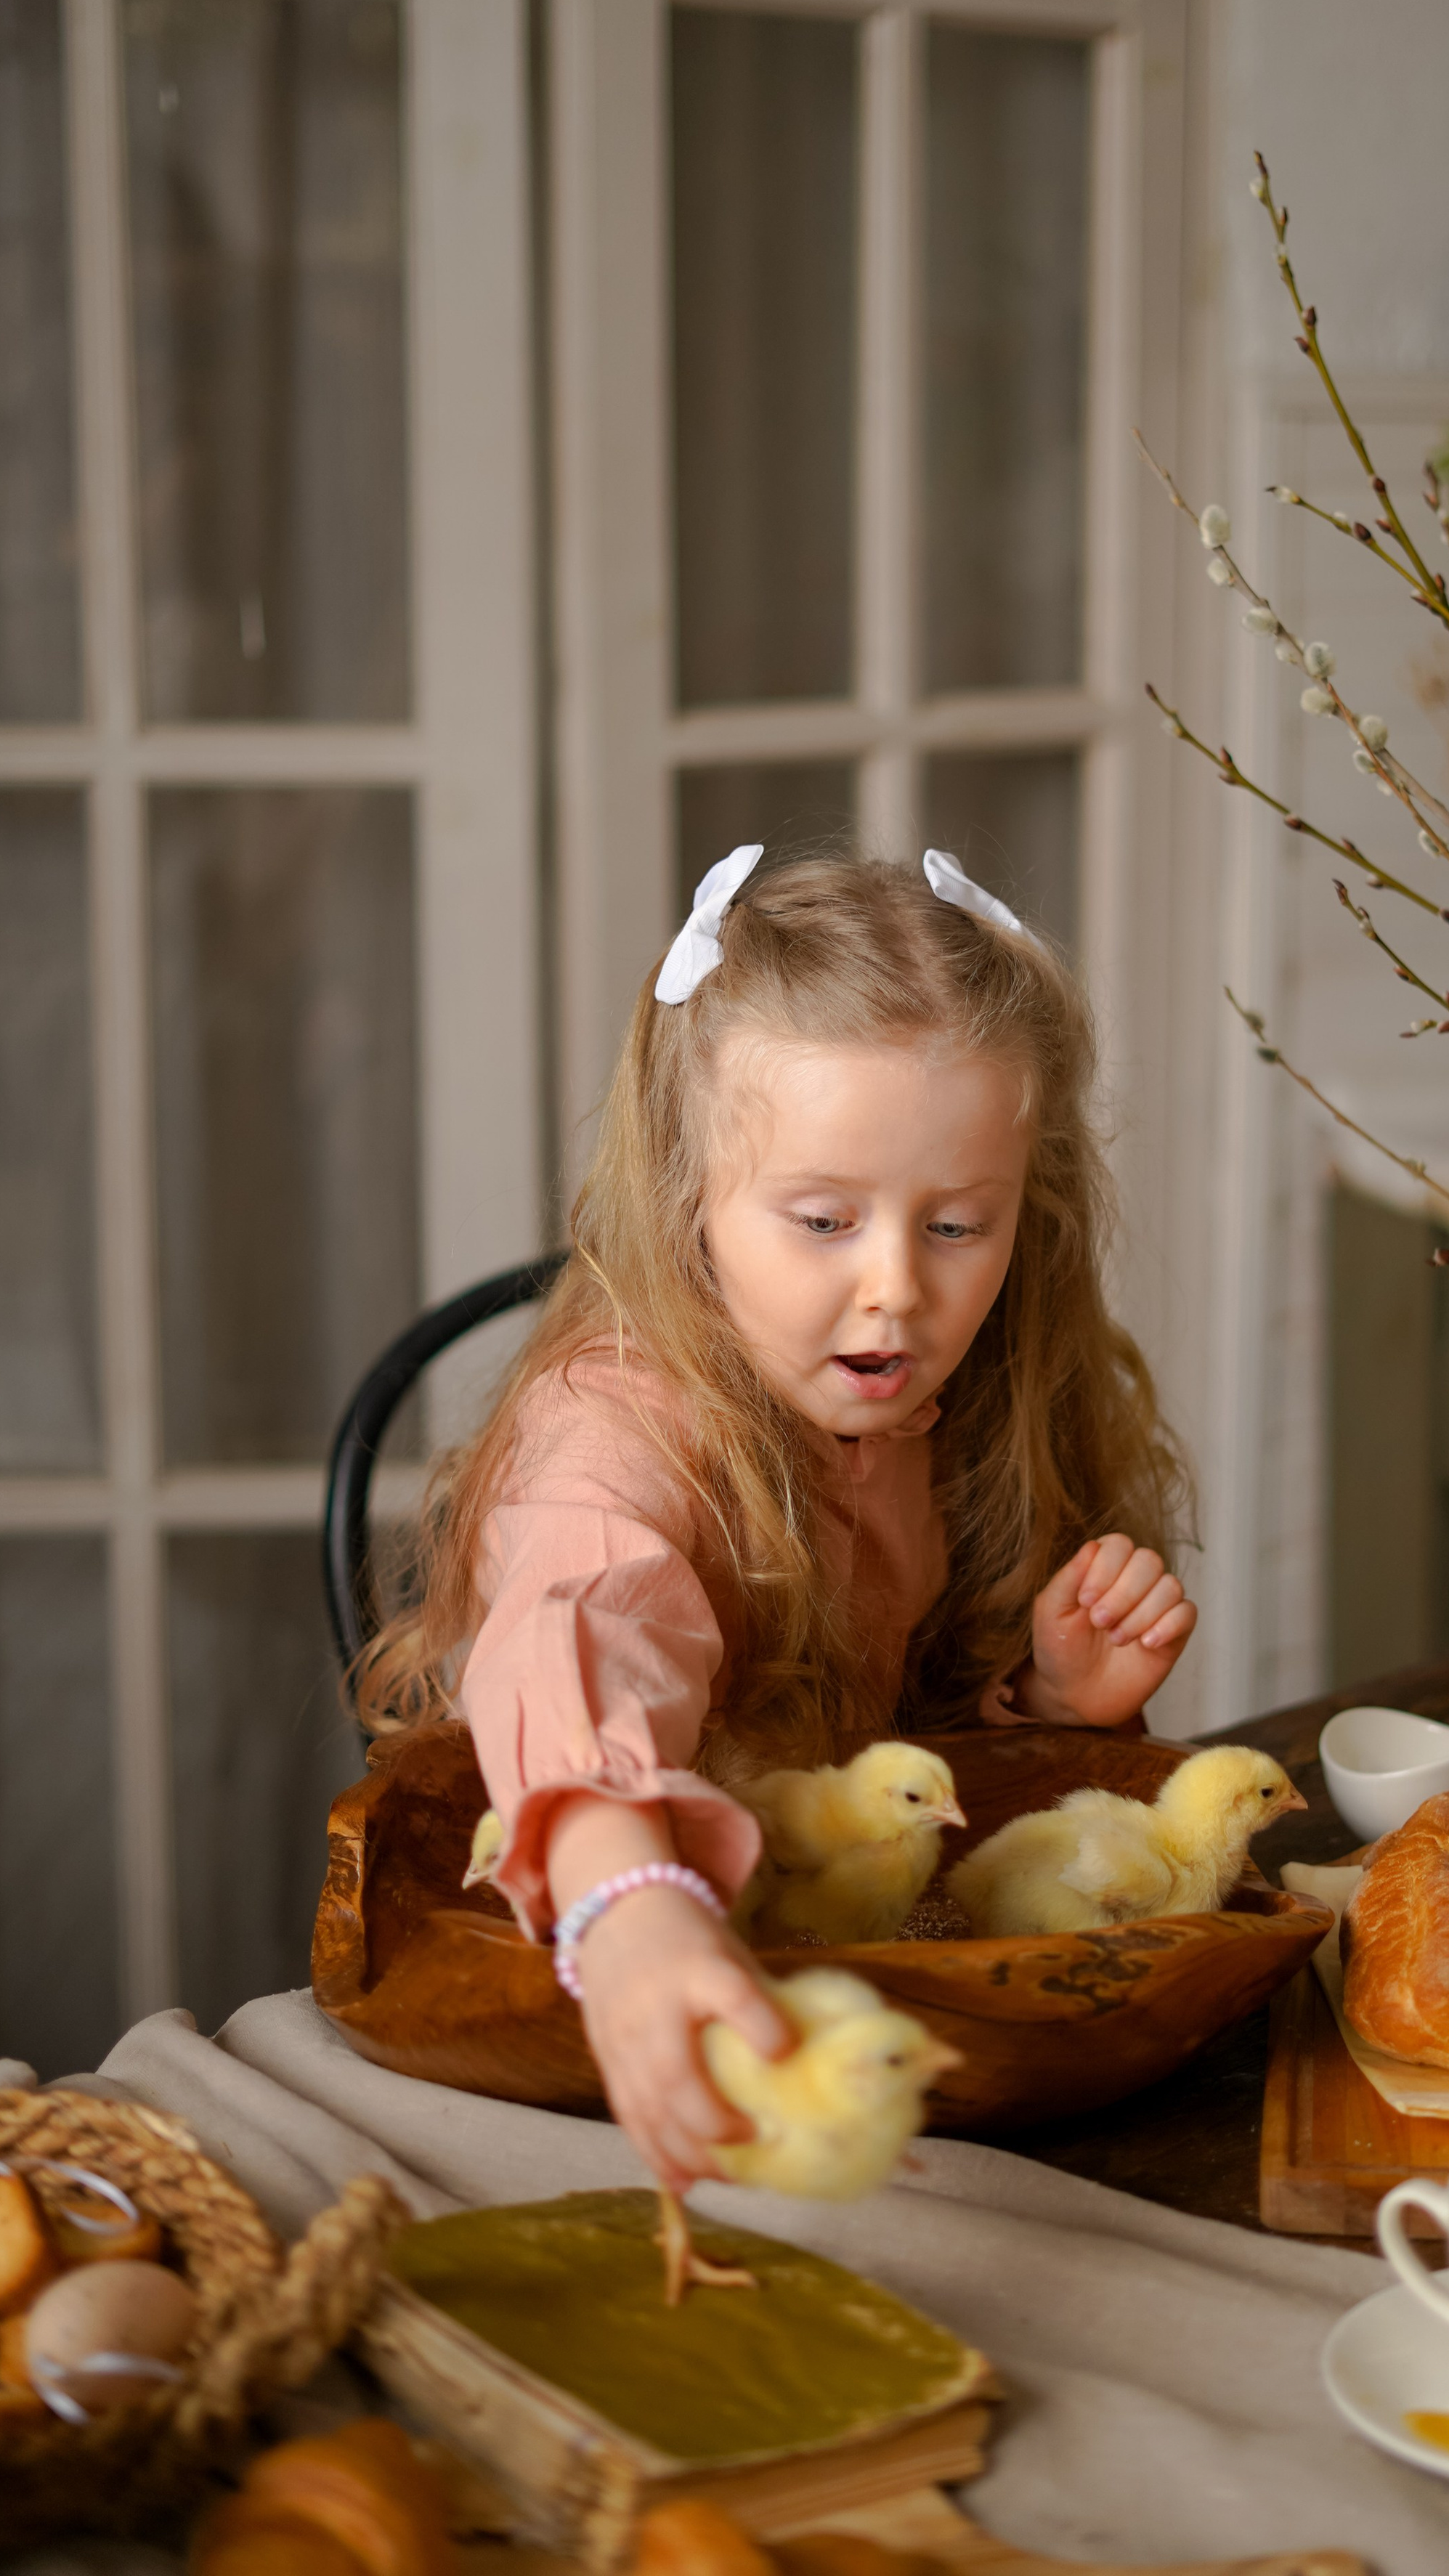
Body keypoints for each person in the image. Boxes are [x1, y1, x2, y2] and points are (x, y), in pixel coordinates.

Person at [355, 846, 1197, 2191]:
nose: (894, 1291)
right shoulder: (619, 1436)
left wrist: (1042, 1703)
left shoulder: (977, 1404)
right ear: (691, 1198)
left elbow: (909, 1802)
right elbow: (585, 1647)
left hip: (869, 2016)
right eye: (822, 1219)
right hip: (625, 2017)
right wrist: (633, 1910)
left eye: (958, 1226)